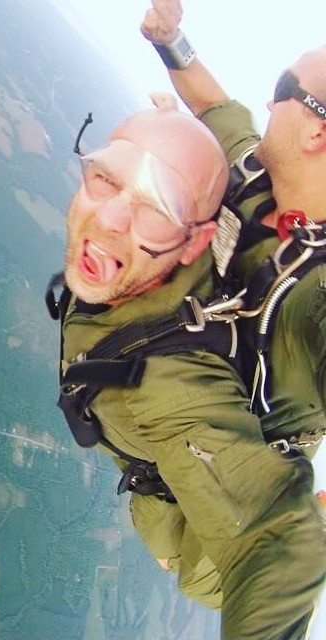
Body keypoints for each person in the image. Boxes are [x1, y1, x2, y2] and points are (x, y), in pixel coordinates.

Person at [55, 105, 326, 640]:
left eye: (159, 208)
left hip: (200, 537)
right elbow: (222, 115)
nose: (109, 222)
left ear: (196, 242)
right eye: (107, 177)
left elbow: (276, 552)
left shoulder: (161, 387)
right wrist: (170, 41)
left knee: (193, 574)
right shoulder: (236, 194)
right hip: (169, 489)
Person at [130, 0, 326, 634]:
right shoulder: (255, 173)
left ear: (316, 132)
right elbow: (216, 107)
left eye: (282, 90)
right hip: (165, 453)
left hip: (219, 524)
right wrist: (170, 39)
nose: (267, 104)